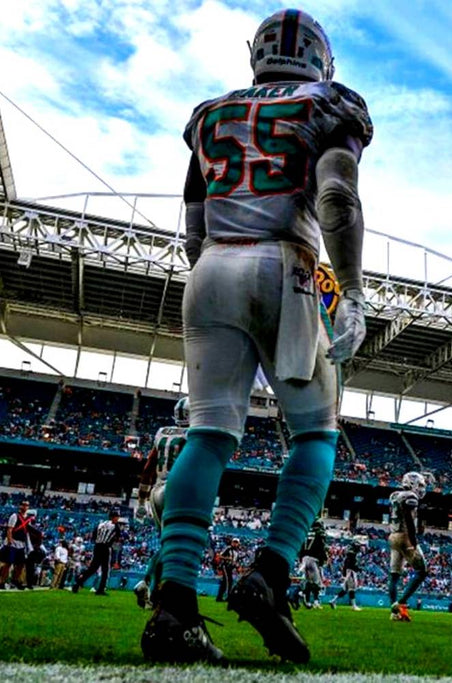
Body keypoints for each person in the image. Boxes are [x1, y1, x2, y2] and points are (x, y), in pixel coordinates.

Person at [139, 8, 372, 665]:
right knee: (316, 431)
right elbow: (337, 198)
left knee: (210, 433)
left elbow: (191, 225)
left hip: (212, 265)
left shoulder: (210, 112)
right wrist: (351, 292)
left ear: (257, 53)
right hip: (285, 261)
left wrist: (221, 283)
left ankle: (175, 604)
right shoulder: (329, 102)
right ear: (322, 59)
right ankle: (269, 572)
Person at [134, 397, 189, 608]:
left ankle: (154, 594)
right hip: (176, 490)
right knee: (173, 544)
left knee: (166, 543)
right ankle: (147, 582)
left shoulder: (162, 432)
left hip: (156, 490)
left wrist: (140, 499)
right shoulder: (193, 434)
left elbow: (148, 466)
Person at [388, 472, 430, 622]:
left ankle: (395, 613)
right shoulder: (410, 497)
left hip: (393, 536)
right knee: (422, 571)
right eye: (419, 485)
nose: (421, 488)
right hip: (405, 536)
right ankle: (400, 603)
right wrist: (413, 541)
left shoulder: (394, 495)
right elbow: (409, 520)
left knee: (394, 575)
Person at [72, 510, 121, 596]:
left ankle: (78, 582)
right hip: (106, 547)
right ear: (113, 517)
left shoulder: (100, 524)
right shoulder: (115, 526)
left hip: (97, 546)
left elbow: (94, 536)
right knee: (105, 569)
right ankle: (101, 589)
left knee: (92, 568)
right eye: (117, 517)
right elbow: (117, 538)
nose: (118, 519)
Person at [1, 500, 32, 589]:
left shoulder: (28, 519)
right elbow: (10, 529)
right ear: (20, 506)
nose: (25, 507)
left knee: (20, 564)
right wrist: (10, 541)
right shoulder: (15, 516)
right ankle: (2, 581)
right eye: (24, 505)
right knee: (8, 563)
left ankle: (15, 580)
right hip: (13, 542)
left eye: (27, 505)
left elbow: (27, 532)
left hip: (21, 544)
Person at [299, 519, 328, 608]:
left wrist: (301, 559)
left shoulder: (306, 533)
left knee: (309, 581)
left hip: (305, 558)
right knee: (316, 582)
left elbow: (301, 547)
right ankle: (302, 593)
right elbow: (321, 547)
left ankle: (308, 600)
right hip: (313, 559)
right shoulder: (319, 533)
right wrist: (324, 559)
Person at [330, 540, 362, 610]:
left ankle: (333, 600)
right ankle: (354, 606)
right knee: (352, 589)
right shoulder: (352, 555)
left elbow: (346, 565)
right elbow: (351, 565)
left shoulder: (350, 554)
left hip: (348, 572)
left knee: (345, 589)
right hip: (351, 572)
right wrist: (357, 569)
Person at [215, 537, 241, 603]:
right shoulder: (228, 548)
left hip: (230, 568)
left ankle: (219, 597)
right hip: (225, 566)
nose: (235, 544)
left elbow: (235, 561)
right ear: (232, 542)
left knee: (225, 582)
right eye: (234, 542)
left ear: (238, 544)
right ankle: (228, 597)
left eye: (236, 542)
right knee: (228, 581)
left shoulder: (237, 552)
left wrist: (237, 567)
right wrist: (227, 558)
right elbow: (219, 556)